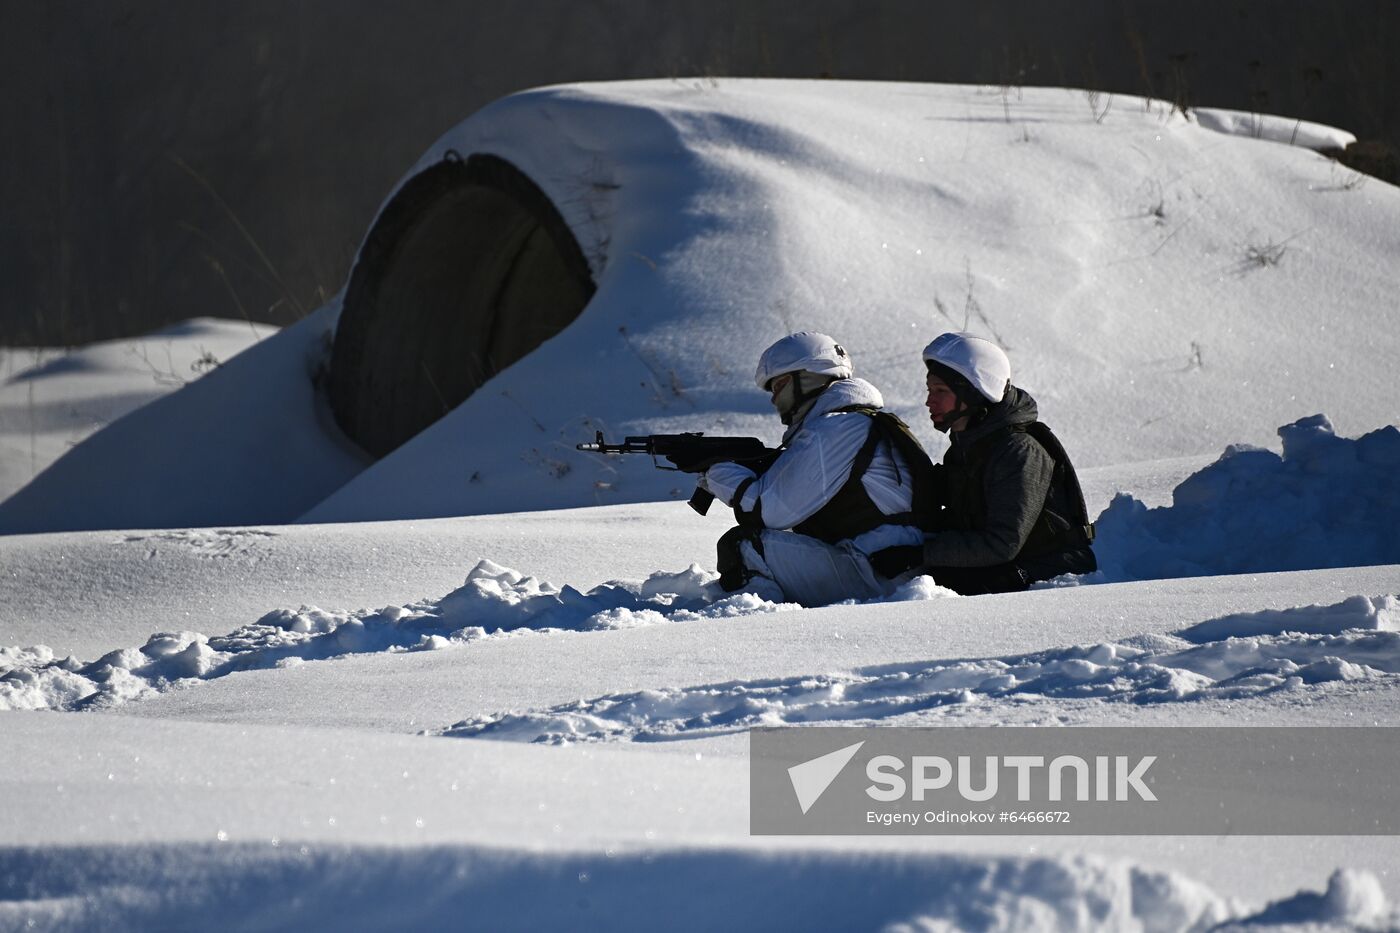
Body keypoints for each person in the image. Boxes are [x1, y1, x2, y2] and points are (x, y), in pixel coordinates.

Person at [697, 332, 936, 607]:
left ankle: (759, 630)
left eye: (779, 385)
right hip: (883, 568)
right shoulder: (849, 423)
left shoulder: (838, 428)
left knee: (745, 546)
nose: (774, 399)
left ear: (808, 377)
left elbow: (767, 510)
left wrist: (716, 470)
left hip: (879, 576)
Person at [868, 332, 1097, 594]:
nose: (929, 400)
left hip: (1054, 569)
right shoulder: (968, 447)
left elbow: (1001, 543)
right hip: (1007, 560)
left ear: (974, 392)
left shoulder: (1017, 451)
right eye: (930, 390)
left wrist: (920, 554)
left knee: (947, 587)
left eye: (941, 391)